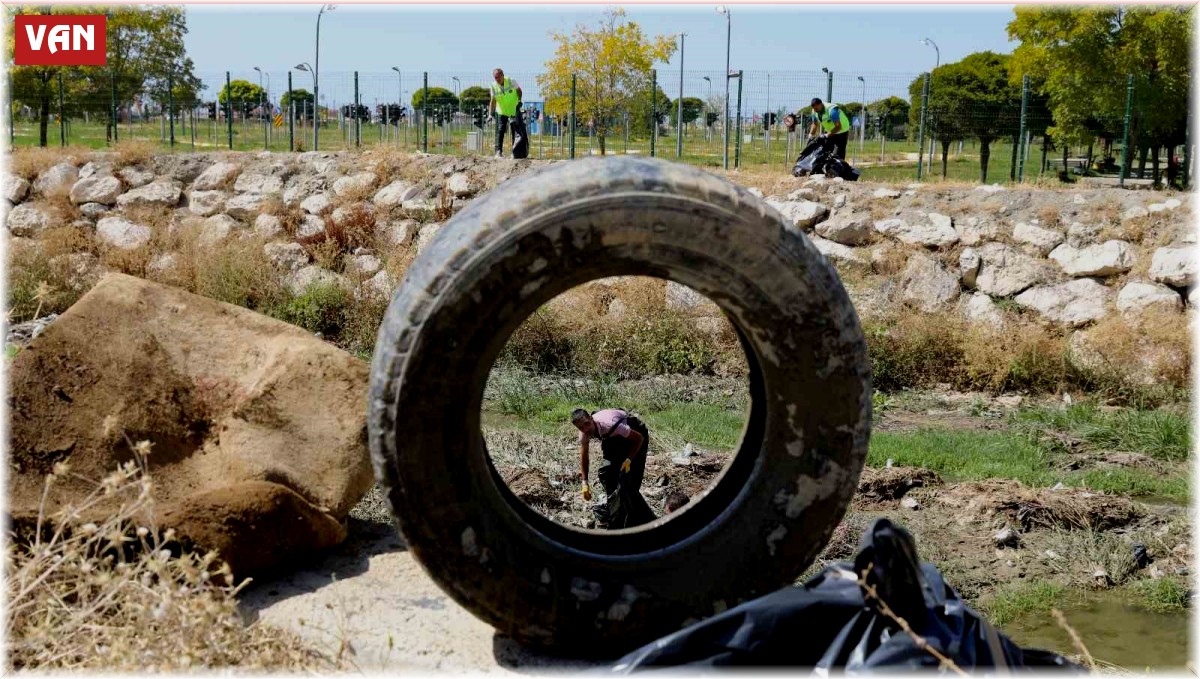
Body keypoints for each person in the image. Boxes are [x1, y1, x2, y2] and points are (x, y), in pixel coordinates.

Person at [571, 407, 655, 529]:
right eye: (581, 428)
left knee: (631, 480)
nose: (585, 429)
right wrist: (585, 483)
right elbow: (584, 457)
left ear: (591, 418)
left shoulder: (610, 424)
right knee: (609, 474)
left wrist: (629, 459)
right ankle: (616, 516)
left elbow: (639, 439)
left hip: (635, 434)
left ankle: (636, 521)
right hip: (612, 437)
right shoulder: (584, 433)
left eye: (587, 424)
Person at [488, 68, 525, 158]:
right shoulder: (493, 86)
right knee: (500, 130)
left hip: (513, 109)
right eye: (495, 77)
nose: (497, 79)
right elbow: (493, 101)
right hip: (502, 110)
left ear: (503, 75)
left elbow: (519, 91)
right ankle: (498, 152)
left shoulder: (511, 81)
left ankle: (515, 152)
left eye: (498, 77)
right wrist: (490, 114)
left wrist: (519, 100)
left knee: (515, 130)